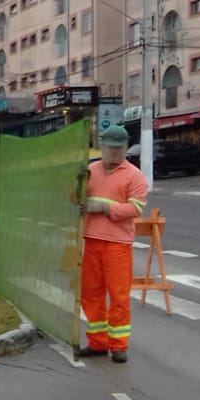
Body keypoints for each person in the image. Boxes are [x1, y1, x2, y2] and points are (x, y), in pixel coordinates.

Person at [76, 124, 148, 363]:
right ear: (102, 146)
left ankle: (119, 345)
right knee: (90, 293)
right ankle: (98, 342)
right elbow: (75, 198)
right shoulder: (90, 171)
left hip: (117, 244)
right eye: (110, 148)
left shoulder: (134, 175)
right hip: (92, 240)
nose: (114, 153)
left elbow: (135, 208)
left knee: (118, 296)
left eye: (119, 148)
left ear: (126, 148)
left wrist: (105, 208)